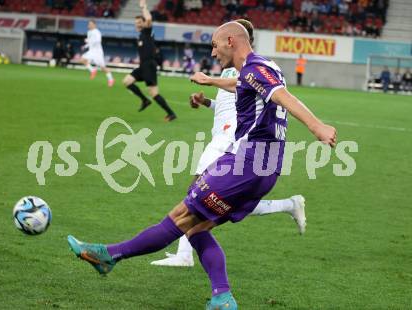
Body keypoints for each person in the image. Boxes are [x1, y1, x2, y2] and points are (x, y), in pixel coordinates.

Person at [67, 22, 336, 309]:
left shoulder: (255, 68)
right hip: (266, 168)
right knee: (196, 229)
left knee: (181, 217)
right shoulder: (261, 68)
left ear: (230, 41)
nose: (213, 51)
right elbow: (244, 84)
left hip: (246, 163)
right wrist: (211, 83)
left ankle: (108, 256)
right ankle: (222, 296)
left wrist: (317, 126)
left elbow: (283, 96)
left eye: (215, 44)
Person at [151, 19, 306, 268]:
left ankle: (184, 254)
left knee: (197, 191)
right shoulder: (230, 68)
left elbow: (242, 87)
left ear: (237, 39)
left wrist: (210, 80)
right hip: (222, 134)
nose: (216, 49)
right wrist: (206, 102)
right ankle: (289, 204)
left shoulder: (252, 67)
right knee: (219, 199)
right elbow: (228, 105)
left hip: (235, 139)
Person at [122, 0, 177, 122]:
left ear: (143, 23)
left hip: (149, 66)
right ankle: (144, 100)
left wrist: (143, 7)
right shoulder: (141, 35)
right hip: (143, 66)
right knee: (127, 81)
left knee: (154, 93)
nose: (137, 25)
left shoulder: (146, 32)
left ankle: (171, 113)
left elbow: (149, 19)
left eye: (139, 22)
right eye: (136, 23)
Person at [81, 20, 115, 87]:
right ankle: (93, 70)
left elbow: (98, 41)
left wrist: (88, 40)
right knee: (82, 59)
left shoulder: (97, 32)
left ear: (94, 25)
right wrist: (85, 46)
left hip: (97, 52)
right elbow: (89, 42)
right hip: (91, 51)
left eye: (90, 24)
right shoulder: (89, 32)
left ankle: (111, 79)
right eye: (89, 24)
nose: (89, 25)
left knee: (103, 68)